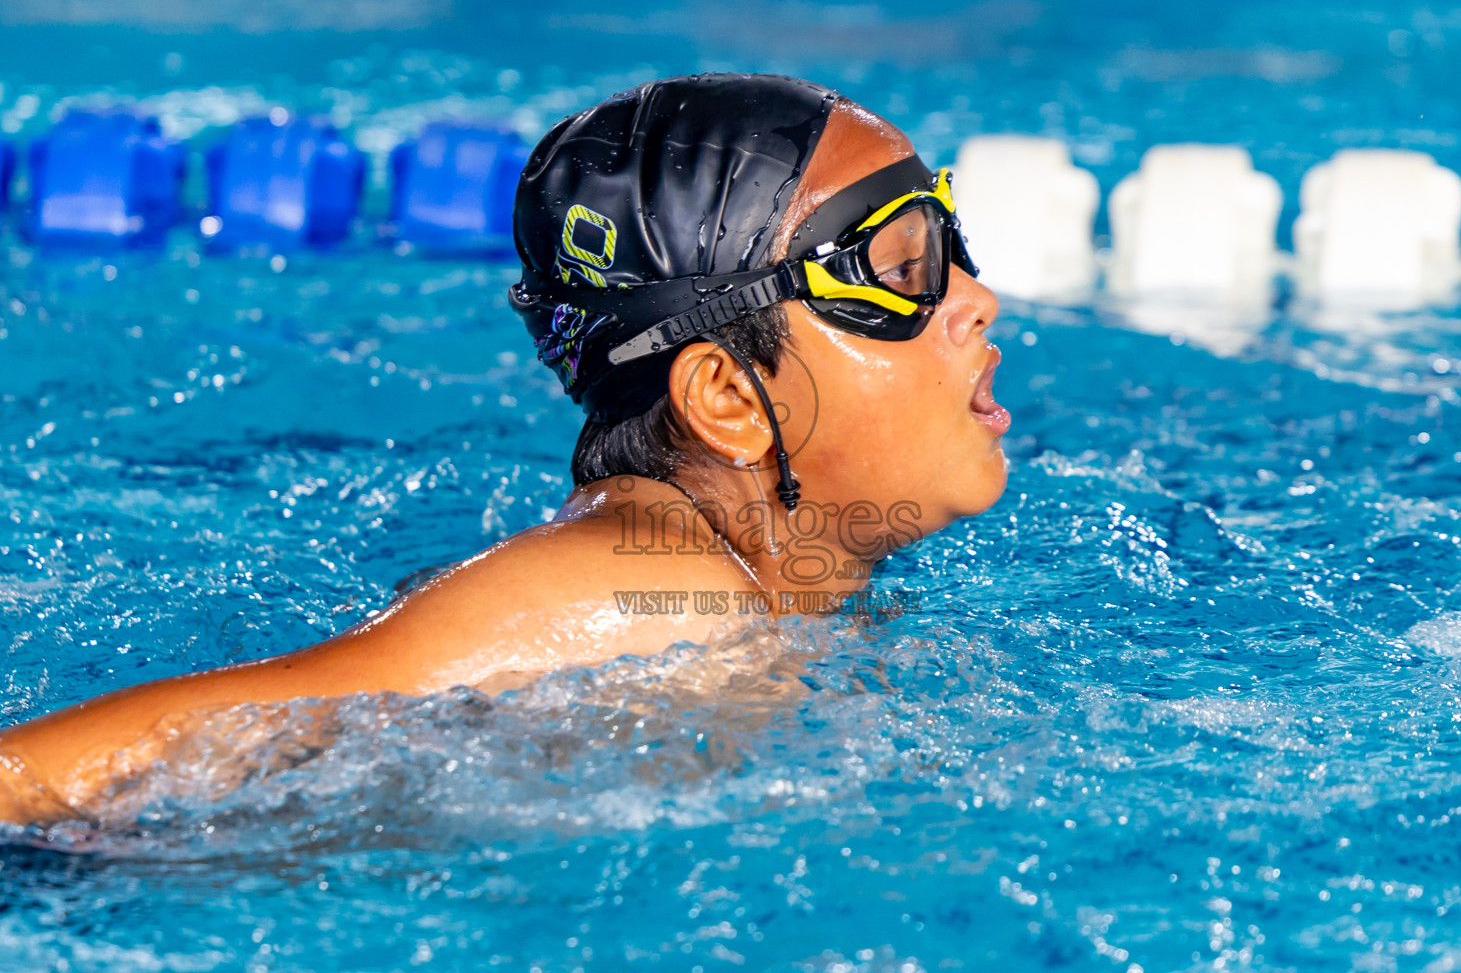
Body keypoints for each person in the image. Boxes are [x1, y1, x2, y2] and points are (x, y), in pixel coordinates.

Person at [0, 73, 1010, 824]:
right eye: (900, 266)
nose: (975, 298)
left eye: (949, 243)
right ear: (731, 397)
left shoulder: (757, 594)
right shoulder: (629, 594)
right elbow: (45, 780)